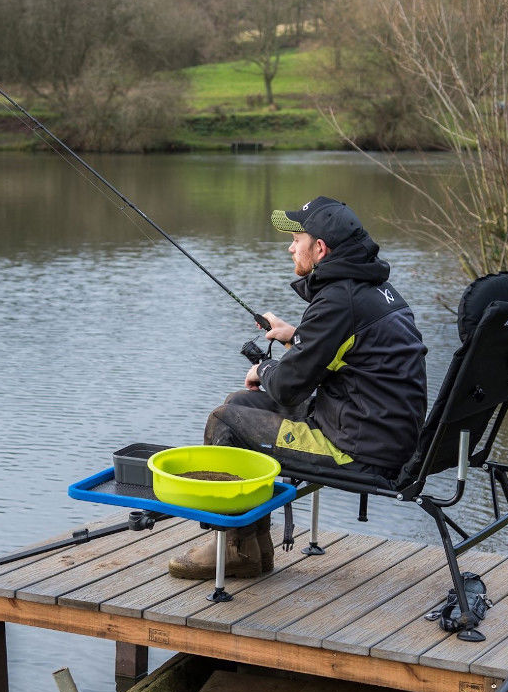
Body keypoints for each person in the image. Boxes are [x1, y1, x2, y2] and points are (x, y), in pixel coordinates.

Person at [168, 196, 428, 579]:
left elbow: (288, 388)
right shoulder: (371, 289)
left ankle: (236, 549)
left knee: (226, 419)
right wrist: (297, 336)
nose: (291, 247)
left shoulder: (339, 301)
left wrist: (265, 366)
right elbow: (345, 355)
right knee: (240, 403)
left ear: (320, 248)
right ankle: (254, 543)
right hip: (378, 430)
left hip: (356, 448)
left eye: (297, 239)